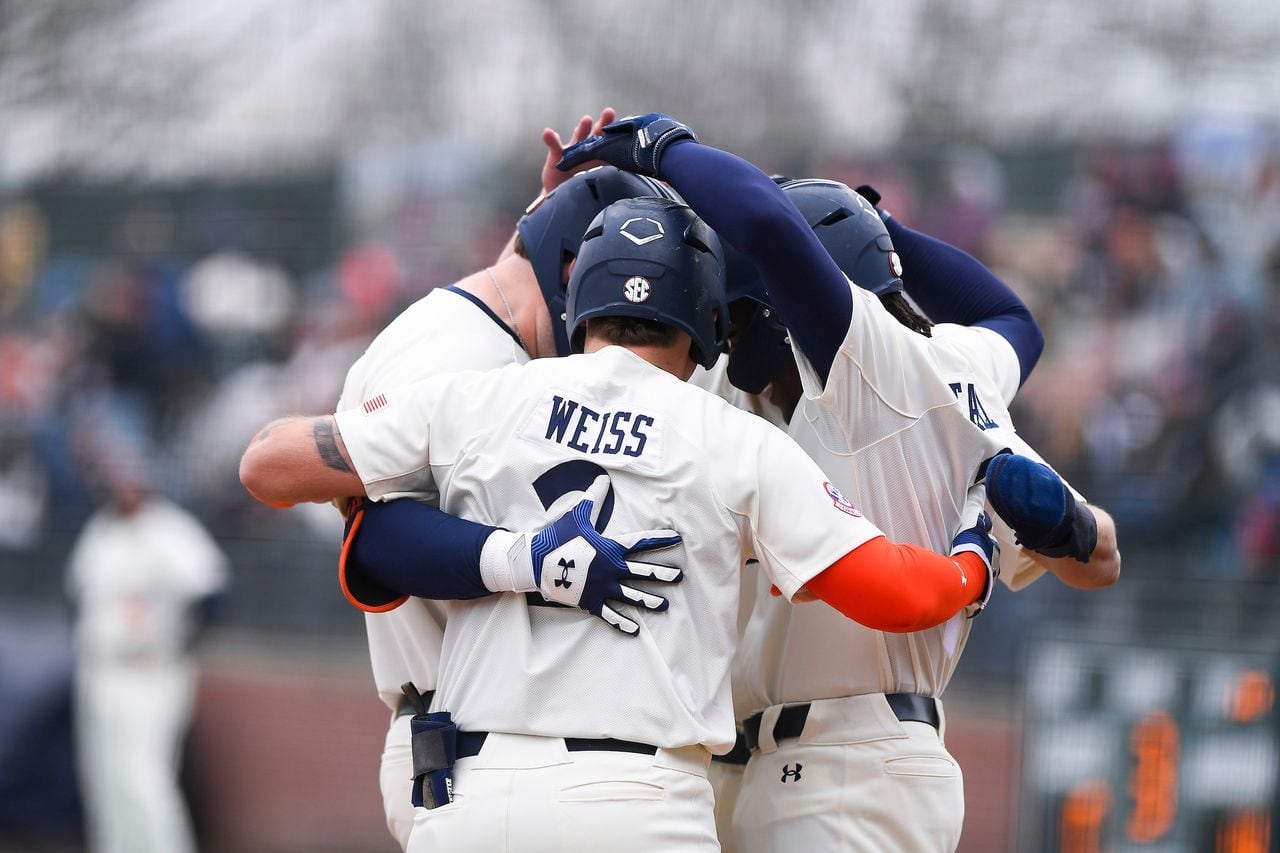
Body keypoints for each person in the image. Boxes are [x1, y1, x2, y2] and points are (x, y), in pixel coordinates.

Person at [240, 195, 1002, 852]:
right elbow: (899, 594)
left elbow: (267, 464)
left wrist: (517, 556)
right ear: (707, 319)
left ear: (580, 303)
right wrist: (974, 554)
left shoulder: (479, 401)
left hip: (471, 798)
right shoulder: (735, 440)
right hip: (635, 800)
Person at [557, 114, 1120, 852]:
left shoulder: (872, 363)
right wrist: (1069, 529)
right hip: (761, 769)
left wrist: (665, 149)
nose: (725, 339)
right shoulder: (954, 363)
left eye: (738, 315)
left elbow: (766, 227)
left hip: (846, 765)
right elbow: (1012, 321)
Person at [301, 109, 698, 850]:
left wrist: (548, 213)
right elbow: (382, 539)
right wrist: (527, 558)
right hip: (464, 735)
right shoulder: (458, 352)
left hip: (490, 740)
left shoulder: (482, 337)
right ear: (575, 274)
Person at [65, 456, 228, 853]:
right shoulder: (102, 529)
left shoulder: (171, 531)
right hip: (98, 669)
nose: (123, 484)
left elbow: (215, 595)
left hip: (149, 672)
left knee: (145, 781)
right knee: (102, 781)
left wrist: (178, 643)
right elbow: (74, 595)